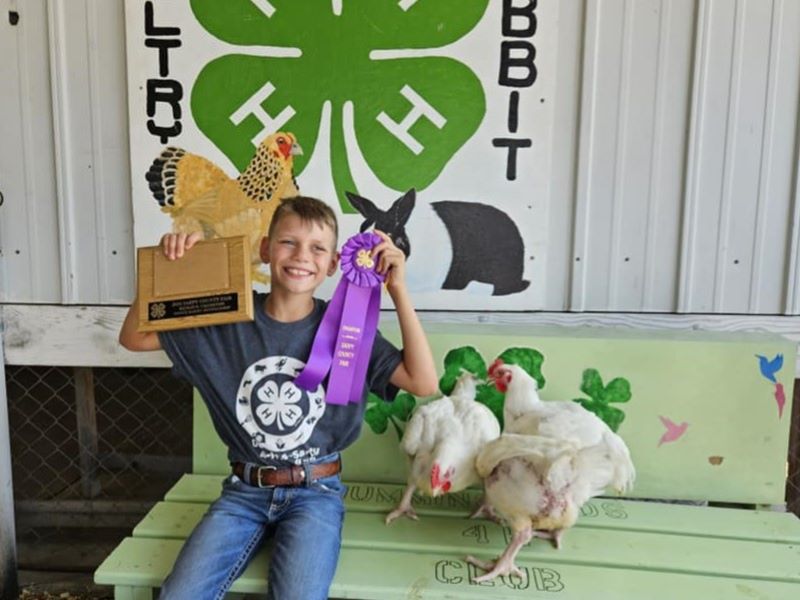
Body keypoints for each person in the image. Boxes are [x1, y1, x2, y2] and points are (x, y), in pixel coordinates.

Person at [119, 196, 438, 600]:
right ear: (266, 250)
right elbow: (134, 338)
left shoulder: (349, 328)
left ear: (335, 262)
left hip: (316, 495)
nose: (301, 256)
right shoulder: (225, 315)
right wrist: (168, 272)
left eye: (317, 248)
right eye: (288, 243)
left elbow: (423, 382)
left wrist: (398, 289)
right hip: (243, 492)